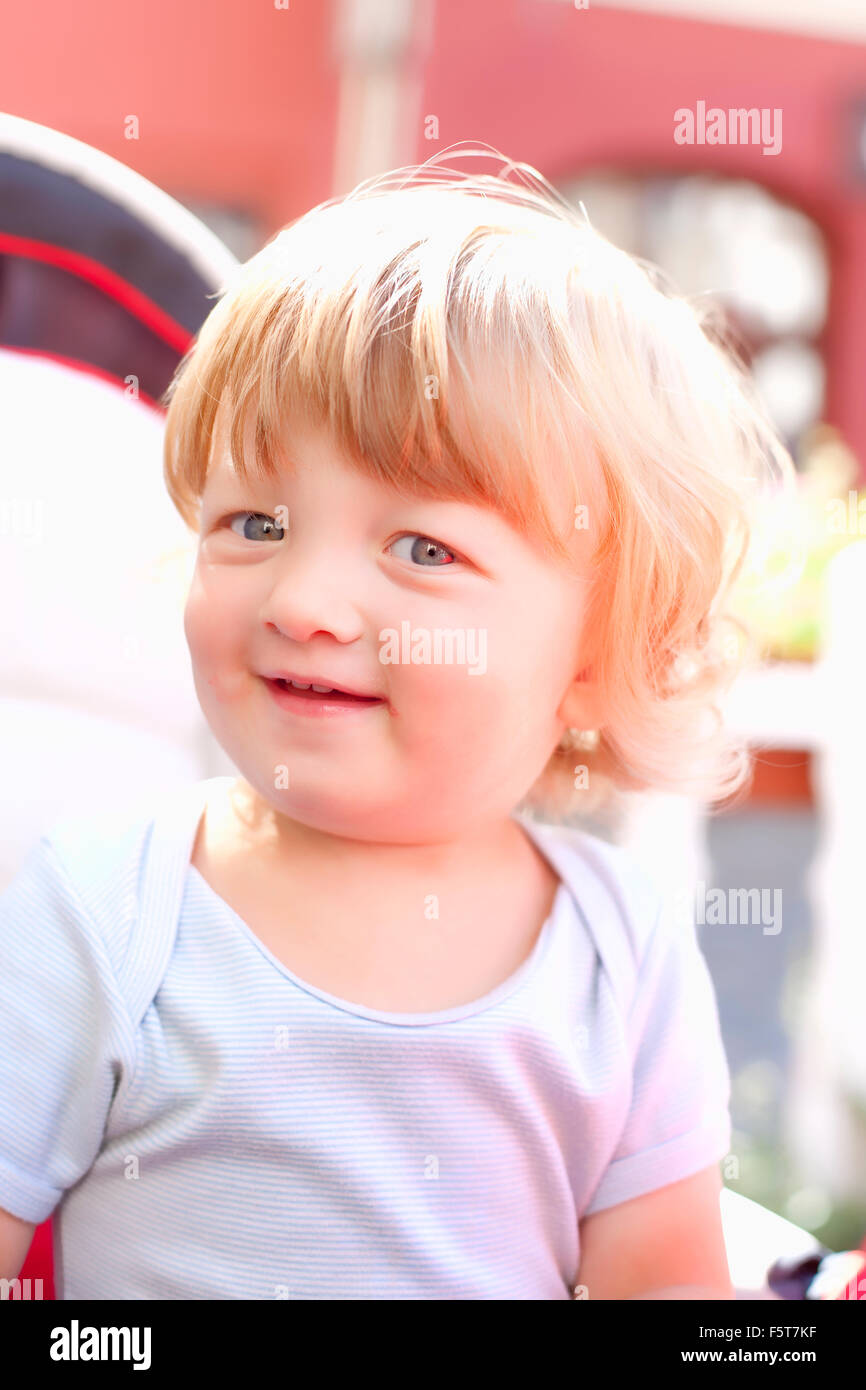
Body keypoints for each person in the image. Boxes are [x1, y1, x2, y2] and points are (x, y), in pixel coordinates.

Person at [0, 148, 798, 1300]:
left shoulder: (617, 954)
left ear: (591, 661)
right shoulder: (106, 910)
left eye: (423, 549)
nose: (303, 602)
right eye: (254, 523)